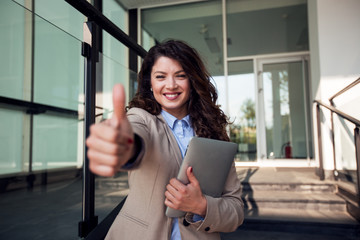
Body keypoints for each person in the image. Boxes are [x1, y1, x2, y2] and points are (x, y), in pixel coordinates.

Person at [86, 39, 244, 240]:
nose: (171, 85)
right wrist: (124, 145)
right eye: (160, 77)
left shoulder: (214, 132)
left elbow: (236, 210)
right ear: (149, 83)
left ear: (193, 81)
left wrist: (202, 205)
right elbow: (135, 138)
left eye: (181, 76)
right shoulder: (140, 117)